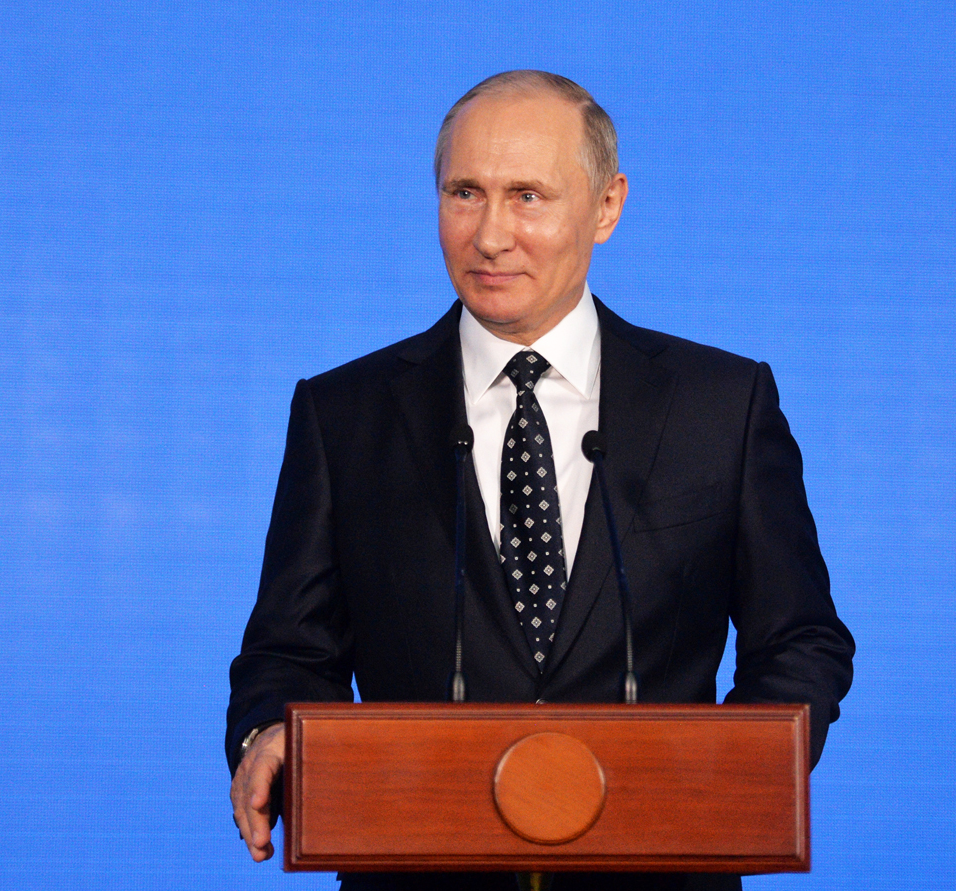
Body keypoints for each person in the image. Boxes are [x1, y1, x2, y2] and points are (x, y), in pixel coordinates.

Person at [226, 71, 854, 891]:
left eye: (528, 195)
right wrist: (270, 730)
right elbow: (286, 649)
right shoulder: (343, 414)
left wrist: (724, 771)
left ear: (606, 206)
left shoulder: (721, 406)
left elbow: (801, 640)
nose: (491, 234)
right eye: (464, 192)